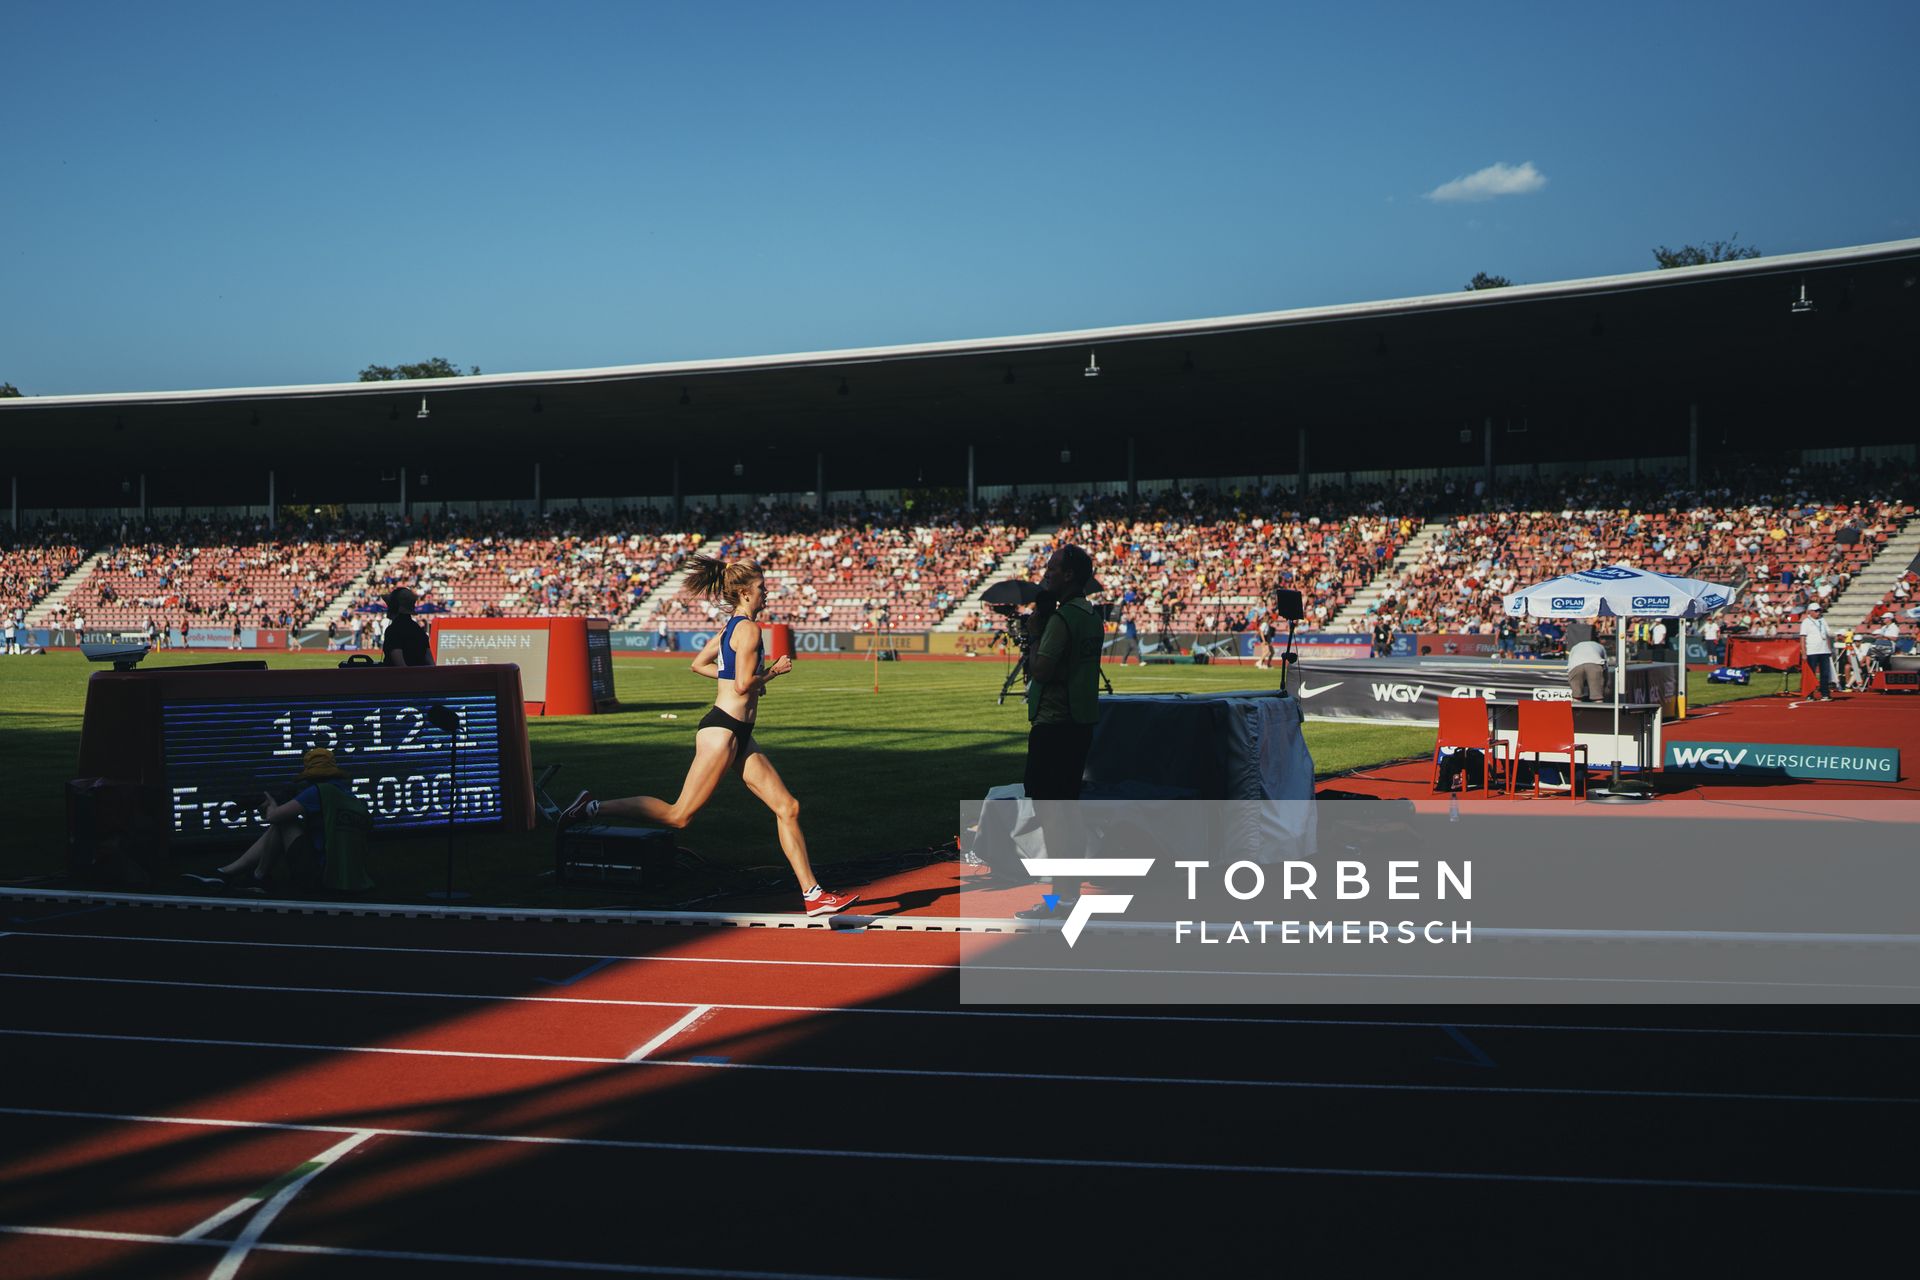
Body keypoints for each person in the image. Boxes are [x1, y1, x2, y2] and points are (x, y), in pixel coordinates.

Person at [558, 556, 855, 916]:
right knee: (678, 815)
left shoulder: (729, 628)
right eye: (762, 588)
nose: (767, 593)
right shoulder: (748, 630)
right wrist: (773, 672)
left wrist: (739, 681)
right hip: (723, 731)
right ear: (745, 592)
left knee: (787, 806)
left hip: (739, 733)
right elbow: (744, 684)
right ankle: (590, 807)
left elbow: (698, 665)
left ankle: (812, 894)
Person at [1019, 545, 1105, 918]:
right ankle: (1068, 895)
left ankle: (1059, 900)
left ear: (1069, 574)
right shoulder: (1091, 616)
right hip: (1080, 721)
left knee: (1053, 815)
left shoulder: (1063, 619)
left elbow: (1040, 670)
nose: (1047, 573)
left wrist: (1034, 634)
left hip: (1054, 724)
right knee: (1068, 812)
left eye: (1053, 567)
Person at [182, 747, 356, 894]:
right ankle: (228, 873)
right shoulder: (345, 793)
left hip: (321, 876)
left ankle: (256, 877)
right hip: (346, 874)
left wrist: (271, 805)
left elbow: (274, 816)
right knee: (291, 822)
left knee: (283, 821)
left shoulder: (317, 791)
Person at [381, 588, 433, 667]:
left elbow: (400, 664)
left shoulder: (393, 630)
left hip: (398, 678)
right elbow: (430, 662)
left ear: (394, 607)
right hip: (419, 677)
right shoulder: (418, 629)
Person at [1799, 602, 1836, 701]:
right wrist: (1803, 652)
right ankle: (1810, 694)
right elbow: (1802, 637)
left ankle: (1825, 693)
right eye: (1816, 611)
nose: (1818, 612)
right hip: (1812, 651)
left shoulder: (1822, 620)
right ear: (1810, 612)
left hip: (1824, 650)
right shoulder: (1806, 622)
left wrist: (1837, 634)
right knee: (1811, 674)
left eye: (1819, 610)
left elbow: (1828, 632)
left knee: (1825, 673)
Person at [1566, 627, 1610, 703]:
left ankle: (1576, 712)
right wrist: (1604, 683)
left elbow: (1570, 665)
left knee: (1577, 696)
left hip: (1576, 665)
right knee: (1597, 697)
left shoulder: (1575, 646)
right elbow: (1605, 666)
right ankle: (1599, 713)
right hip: (1595, 664)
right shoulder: (1600, 646)